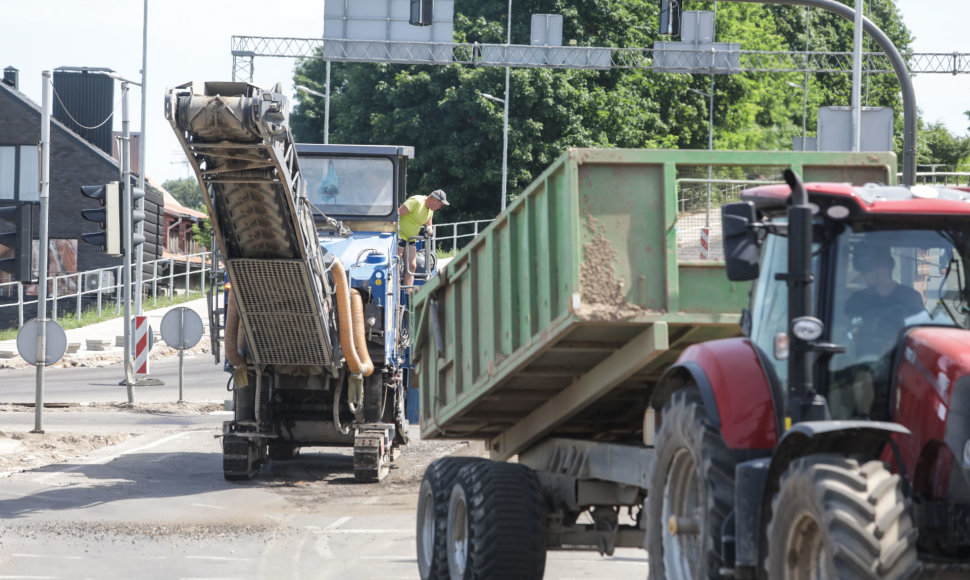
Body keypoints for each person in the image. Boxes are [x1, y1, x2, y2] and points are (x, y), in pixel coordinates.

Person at [836, 243, 924, 417]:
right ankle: (863, 416)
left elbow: (921, 328)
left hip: (900, 355)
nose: (863, 275)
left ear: (883, 268)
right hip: (864, 357)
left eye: (867, 270)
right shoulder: (858, 299)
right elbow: (839, 329)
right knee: (863, 375)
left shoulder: (910, 297)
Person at [398, 189, 449, 287]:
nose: (440, 208)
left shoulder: (430, 210)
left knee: (412, 266)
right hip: (399, 236)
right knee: (396, 265)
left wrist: (430, 228)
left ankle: (408, 294)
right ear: (435, 200)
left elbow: (429, 222)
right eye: (441, 205)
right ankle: (395, 294)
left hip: (411, 239)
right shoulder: (416, 201)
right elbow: (397, 214)